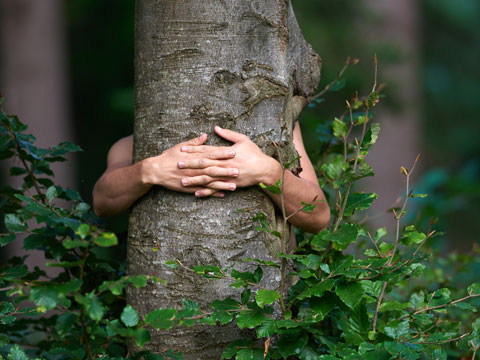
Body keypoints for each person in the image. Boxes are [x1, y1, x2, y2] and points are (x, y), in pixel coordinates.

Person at [92, 124, 330, 234]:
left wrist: (269, 172)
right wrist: (149, 170)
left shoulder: (279, 122)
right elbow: (102, 201)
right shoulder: (136, 142)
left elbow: (319, 217)